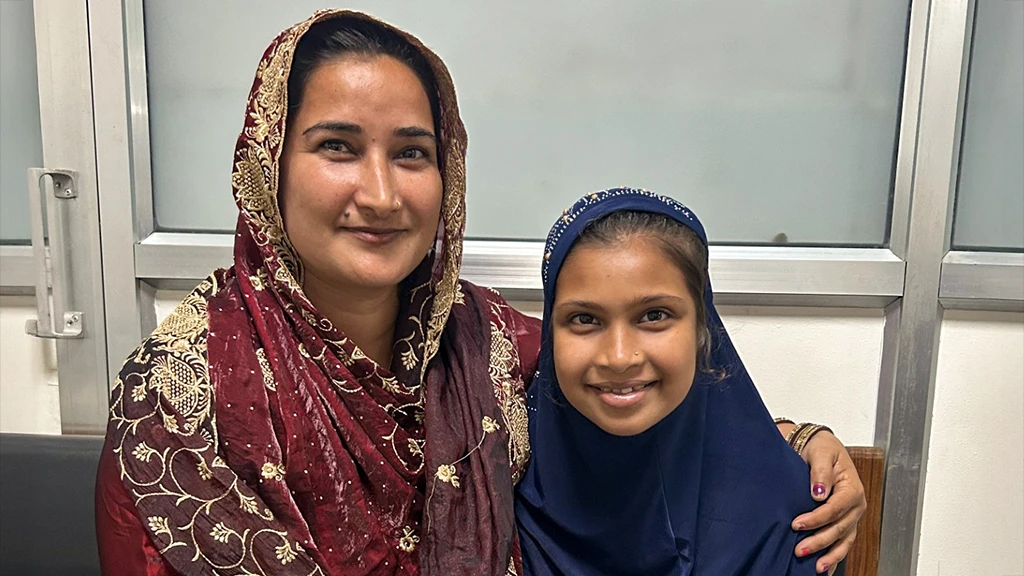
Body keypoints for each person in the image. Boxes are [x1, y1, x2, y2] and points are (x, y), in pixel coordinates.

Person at [95, 10, 864, 575]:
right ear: (269, 163)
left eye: (411, 153)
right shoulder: (181, 395)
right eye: (337, 146)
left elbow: (616, 384)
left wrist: (801, 444)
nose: (381, 193)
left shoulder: (481, 339)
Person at [516, 188, 838, 575]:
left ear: (702, 327)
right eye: (585, 319)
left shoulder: (793, 517)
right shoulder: (496, 485)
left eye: (654, 315)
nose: (619, 357)